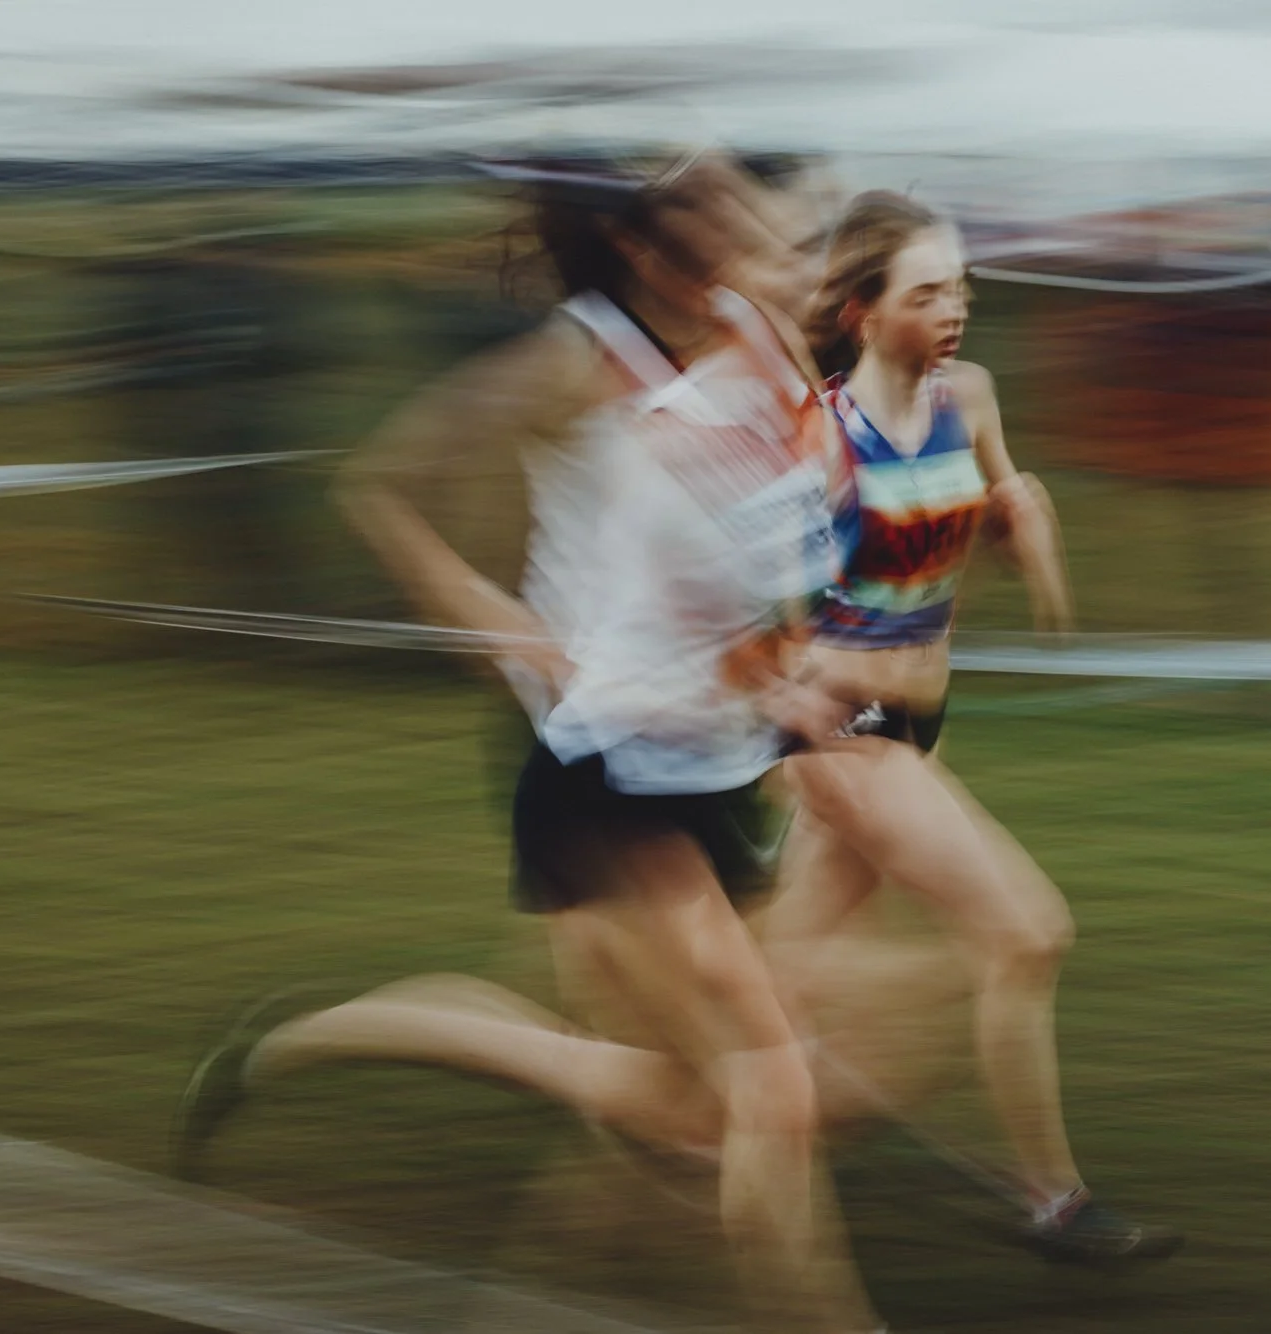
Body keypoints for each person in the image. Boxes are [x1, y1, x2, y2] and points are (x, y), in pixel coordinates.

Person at [175, 154, 884, 1334]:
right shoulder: (575, 358)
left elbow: (767, 565)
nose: (785, 262)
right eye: (752, 241)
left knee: (669, 1093)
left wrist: (798, 678)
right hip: (602, 765)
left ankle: (303, 1042)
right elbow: (383, 483)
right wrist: (479, 603)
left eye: (786, 239)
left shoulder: (762, 352)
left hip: (711, 761)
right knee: (766, 1086)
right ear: (655, 261)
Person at [760, 191, 1179, 1264]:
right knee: (1027, 928)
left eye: (962, 286)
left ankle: (696, 1090)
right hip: (845, 726)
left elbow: (988, 517)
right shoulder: (818, 438)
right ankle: (1054, 1202)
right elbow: (768, 625)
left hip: (922, 718)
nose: (954, 309)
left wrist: (1023, 536)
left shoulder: (971, 395)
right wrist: (797, 738)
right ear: (861, 309)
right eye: (926, 292)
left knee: (785, 963)